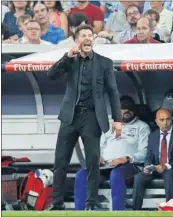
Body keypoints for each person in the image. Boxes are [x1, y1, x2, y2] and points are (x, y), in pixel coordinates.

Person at [45, 24, 122, 211]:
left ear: (93, 39)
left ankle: (90, 204)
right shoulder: (70, 60)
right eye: (83, 35)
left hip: (92, 116)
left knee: (92, 162)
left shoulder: (105, 62)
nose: (87, 38)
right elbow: (51, 75)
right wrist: (66, 57)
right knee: (60, 162)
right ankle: (57, 204)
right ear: (77, 40)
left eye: (90, 35)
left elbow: (113, 92)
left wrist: (117, 120)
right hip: (69, 117)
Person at [74, 98, 150, 210]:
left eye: (129, 109)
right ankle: (80, 212)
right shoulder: (108, 126)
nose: (125, 112)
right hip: (106, 165)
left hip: (128, 165)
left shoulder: (142, 127)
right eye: (122, 109)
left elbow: (144, 152)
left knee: (116, 174)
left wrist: (126, 158)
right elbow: (99, 146)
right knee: (81, 174)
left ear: (134, 111)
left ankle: (117, 211)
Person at [132, 108, 173, 210]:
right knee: (139, 177)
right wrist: (148, 166)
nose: (165, 123)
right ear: (156, 121)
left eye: (168, 119)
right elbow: (149, 156)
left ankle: (170, 209)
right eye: (161, 120)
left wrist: (166, 166)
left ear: (172, 119)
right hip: (156, 168)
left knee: (168, 173)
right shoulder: (153, 136)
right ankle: (136, 210)